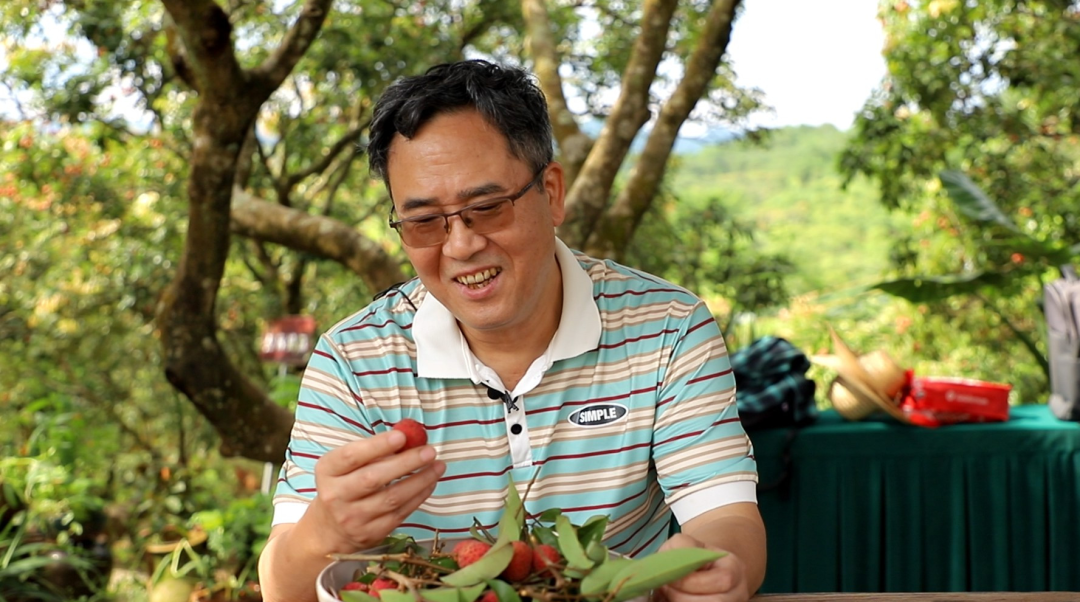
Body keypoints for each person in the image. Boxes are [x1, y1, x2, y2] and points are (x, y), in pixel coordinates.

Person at [258, 59, 766, 602]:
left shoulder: (668, 327)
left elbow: (725, 516)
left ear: (552, 192)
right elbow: (283, 586)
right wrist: (323, 533)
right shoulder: (353, 362)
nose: (460, 246)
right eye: (424, 222)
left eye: (487, 207)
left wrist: (712, 569)